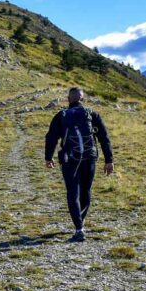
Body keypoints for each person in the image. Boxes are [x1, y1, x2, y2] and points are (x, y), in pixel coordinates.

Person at [44, 87, 114, 242]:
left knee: (72, 192)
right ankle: (80, 221)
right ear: (82, 99)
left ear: (68, 99)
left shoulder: (61, 115)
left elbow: (51, 138)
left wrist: (48, 157)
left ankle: (79, 228)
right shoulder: (92, 114)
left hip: (70, 160)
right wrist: (109, 160)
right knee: (86, 190)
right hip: (90, 158)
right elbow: (104, 137)